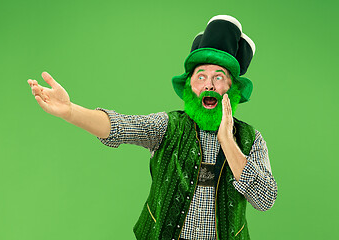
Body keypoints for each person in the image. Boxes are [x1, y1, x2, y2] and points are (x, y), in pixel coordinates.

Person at [27, 15, 277, 240]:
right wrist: (71, 111)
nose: (209, 85)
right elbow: (120, 127)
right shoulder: (169, 126)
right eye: (201, 76)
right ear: (190, 85)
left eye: (218, 77)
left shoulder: (251, 139)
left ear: (231, 88)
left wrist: (227, 140)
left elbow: (265, 199)